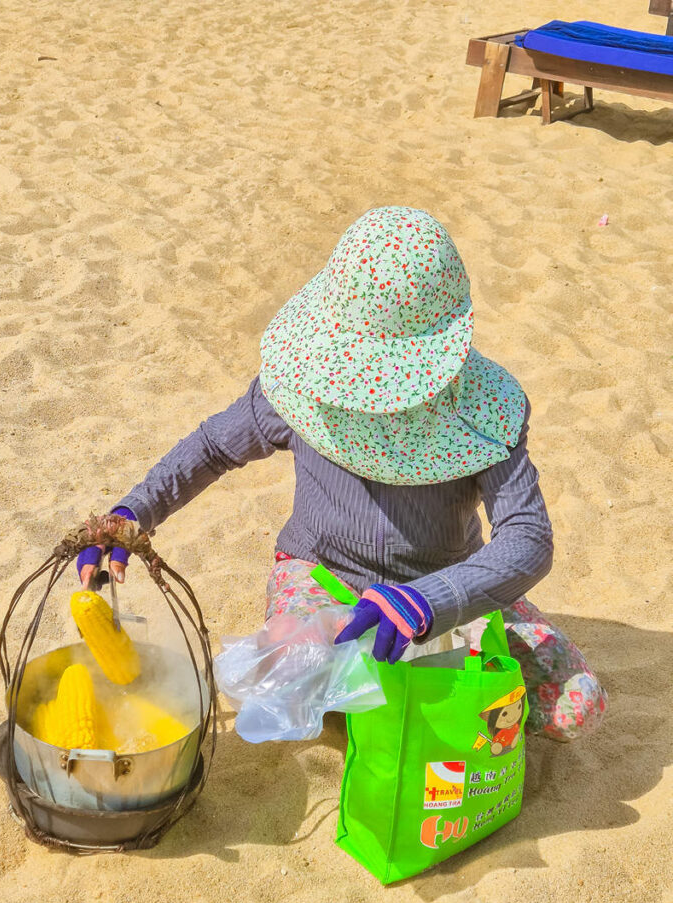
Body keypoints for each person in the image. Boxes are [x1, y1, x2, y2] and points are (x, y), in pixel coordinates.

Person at [79, 207, 606, 742]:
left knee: (574, 707)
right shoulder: (301, 380)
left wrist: (432, 599)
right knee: (287, 679)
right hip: (324, 575)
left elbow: (527, 537)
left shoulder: (484, 410)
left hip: (444, 586)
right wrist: (131, 513)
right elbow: (214, 447)